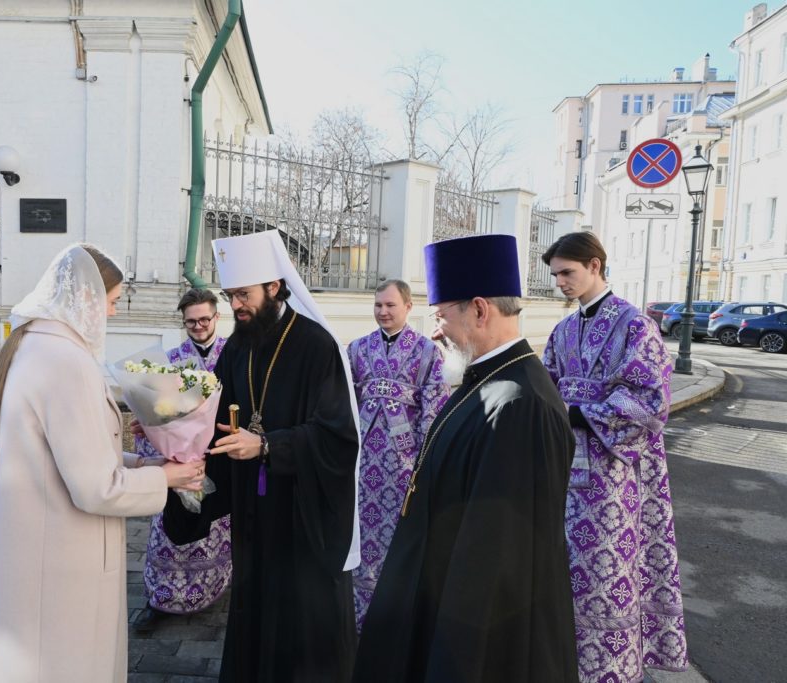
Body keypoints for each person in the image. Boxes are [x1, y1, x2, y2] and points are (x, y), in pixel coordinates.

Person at [0, 243, 204, 683]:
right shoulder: (67, 362)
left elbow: (65, 453)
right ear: (86, 298)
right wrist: (166, 477)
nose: (112, 313)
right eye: (112, 301)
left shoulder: (31, 345)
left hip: (37, 550)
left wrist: (142, 464)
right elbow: (96, 488)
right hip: (64, 560)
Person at [354, 234, 579, 683]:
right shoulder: (486, 380)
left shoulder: (521, 405)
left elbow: (495, 559)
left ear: (479, 309)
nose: (435, 332)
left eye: (440, 316)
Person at [162, 230, 361, 682]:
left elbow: (337, 437)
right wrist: (173, 433)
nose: (236, 306)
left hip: (301, 515)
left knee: (300, 623)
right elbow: (216, 419)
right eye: (230, 296)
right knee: (255, 612)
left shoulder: (317, 345)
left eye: (243, 295)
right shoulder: (238, 346)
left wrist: (268, 445)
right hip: (254, 512)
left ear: (274, 287)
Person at [542, 231, 688, 682]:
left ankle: (611, 670)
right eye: (555, 275)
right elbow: (547, 383)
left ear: (595, 266)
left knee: (607, 571)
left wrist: (578, 413)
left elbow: (650, 401)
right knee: (562, 568)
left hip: (614, 473)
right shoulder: (563, 330)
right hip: (565, 468)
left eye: (567, 272)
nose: (560, 282)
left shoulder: (635, 325)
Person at [346, 279, 449, 631]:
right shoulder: (357, 349)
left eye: (390, 305)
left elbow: (434, 408)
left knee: (399, 535)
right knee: (362, 532)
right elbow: (345, 403)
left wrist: (423, 460)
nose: (383, 311)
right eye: (378, 305)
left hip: (404, 465)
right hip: (362, 463)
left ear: (408, 307)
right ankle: (358, 609)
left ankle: (396, 612)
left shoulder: (427, 352)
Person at [133, 288, 232, 630]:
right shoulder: (170, 361)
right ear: (183, 322)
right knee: (168, 532)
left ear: (216, 317)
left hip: (219, 457)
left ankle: (213, 590)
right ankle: (161, 599)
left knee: (214, 528)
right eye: (191, 322)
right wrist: (148, 428)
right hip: (176, 460)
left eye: (205, 319)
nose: (199, 326)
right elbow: (156, 411)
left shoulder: (233, 355)